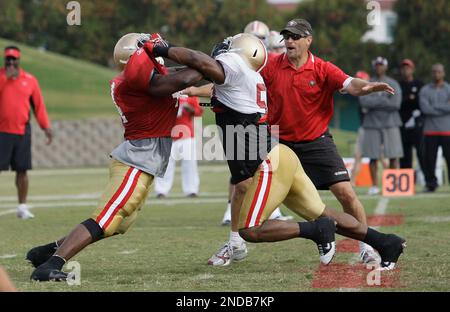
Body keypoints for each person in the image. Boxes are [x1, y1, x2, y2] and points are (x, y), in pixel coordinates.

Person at [147, 33, 406, 270]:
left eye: (229, 47)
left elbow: (198, 62)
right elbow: (200, 76)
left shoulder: (234, 66)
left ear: (241, 53)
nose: (222, 51)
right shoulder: (247, 75)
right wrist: (163, 71)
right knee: (324, 212)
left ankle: (315, 231)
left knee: (250, 229)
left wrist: (163, 48)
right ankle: (386, 242)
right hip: (280, 156)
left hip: (270, 162)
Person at [26, 33, 204, 281]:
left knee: (119, 223)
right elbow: (188, 76)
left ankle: (47, 251)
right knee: (106, 218)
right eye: (148, 55)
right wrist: (212, 64)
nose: (155, 59)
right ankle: (50, 265)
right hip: (136, 161)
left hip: (142, 159)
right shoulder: (137, 83)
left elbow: (184, 77)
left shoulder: (141, 79)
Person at [260, 19, 397, 263]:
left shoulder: (322, 68)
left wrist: (368, 87)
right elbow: (240, 79)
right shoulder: (271, 66)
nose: (289, 40)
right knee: (265, 201)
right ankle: (237, 242)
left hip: (317, 142)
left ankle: (367, 246)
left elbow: (350, 84)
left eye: (295, 36)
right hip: (283, 146)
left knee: (346, 194)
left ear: (308, 40)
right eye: (286, 36)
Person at [219, 20, 292, 228]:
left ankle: (271, 209)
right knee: (240, 170)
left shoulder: (269, 59)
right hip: (245, 118)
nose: (257, 42)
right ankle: (230, 210)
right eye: (254, 38)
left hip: (264, 117)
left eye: (261, 39)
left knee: (265, 165)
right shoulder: (241, 61)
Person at [0, 46, 53, 220]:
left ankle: (22, 207)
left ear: (18, 60)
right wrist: (5, 80)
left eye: (13, 59)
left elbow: (38, 106)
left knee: (22, 171)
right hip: (2, 132)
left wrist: (46, 128)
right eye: (8, 59)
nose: (10, 63)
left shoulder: (30, 80)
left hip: (22, 132)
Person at [359, 56, 403, 195]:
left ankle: (392, 185)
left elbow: (396, 104)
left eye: (381, 65)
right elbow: (364, 102)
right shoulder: (367, 82)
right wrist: (383, 100)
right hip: (372, 124)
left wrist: (375, 102)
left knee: (393, 155)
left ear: (386, 66)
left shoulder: (393, 83)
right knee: (373, 156)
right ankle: (374, 185)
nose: (379, 67)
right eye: (377, 65)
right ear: (374, 66)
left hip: (391, 123)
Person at [154, 95, 202, 198]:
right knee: (165, 165)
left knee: (190, 165)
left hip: (187, 135)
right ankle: (161, 190)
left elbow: (198, 112)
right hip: (167, 135)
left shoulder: (190, 94)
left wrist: (189, 108)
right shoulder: (167, 93)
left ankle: (191, 190)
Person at [419, 63, 450, 192]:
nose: (437, 74)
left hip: (447, 130)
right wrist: (443, 107)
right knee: (429, 160)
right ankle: (431, 184)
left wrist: (434, 107)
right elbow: (425, 109)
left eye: (439, 71)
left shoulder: (449, 88)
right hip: (430, 131)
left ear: (443, 73)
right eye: (434, 71)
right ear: (432, 73)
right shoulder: (425, 90)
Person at [399, 59, 425, 172]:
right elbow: (399, 102)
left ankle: (429, 182)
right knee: (404, 154)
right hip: (402, 123)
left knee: (422, 153)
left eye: (408, 68)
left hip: (417, 124)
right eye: (403, 68)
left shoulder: (419, 84)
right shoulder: (398, 85)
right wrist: (409, 98)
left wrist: (410, 99)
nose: (405, 71)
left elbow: (421, 102)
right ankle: (407, 181)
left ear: (412, 69)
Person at [350, 70, 370, 186]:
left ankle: (388, 183)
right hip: (364, 128)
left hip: (374, 129)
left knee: (382, 157)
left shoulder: (369, 93)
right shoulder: (360, 94)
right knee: (358, 156)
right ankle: (352, 181)